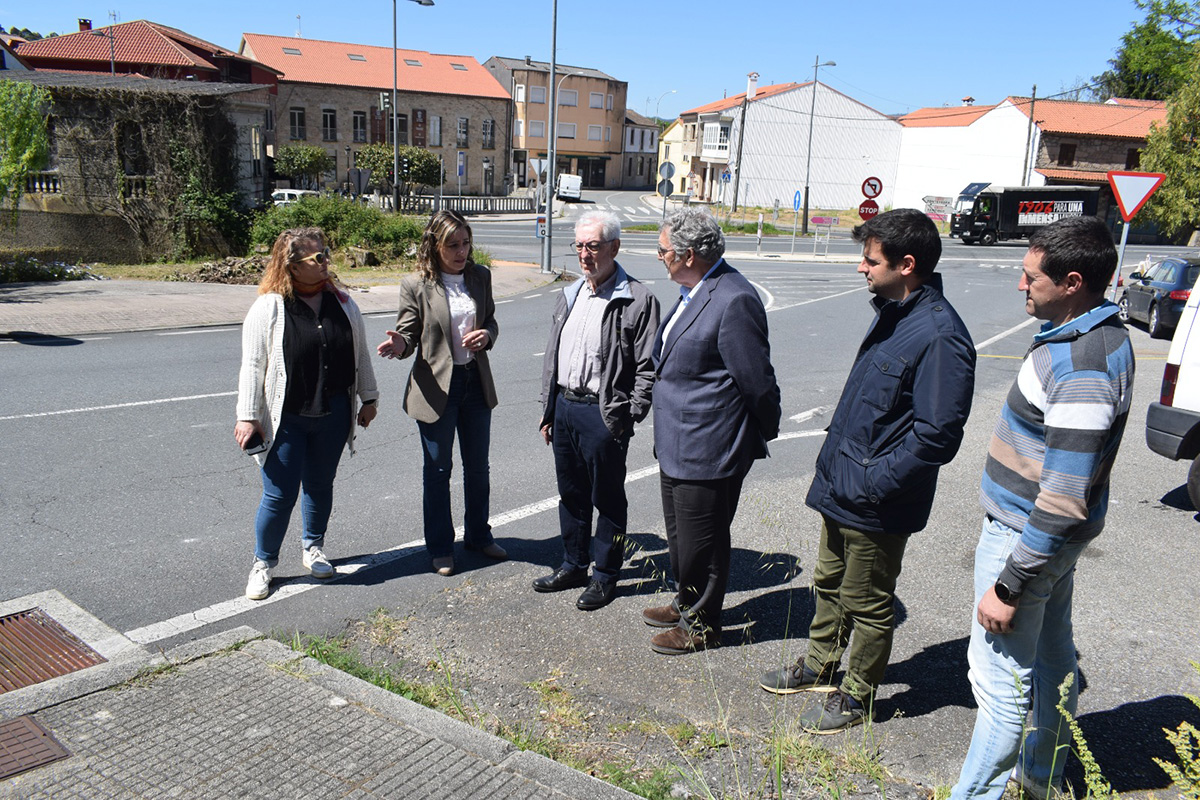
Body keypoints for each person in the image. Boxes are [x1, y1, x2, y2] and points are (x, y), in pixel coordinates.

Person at [760, 208, 976, 734]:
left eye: (869, 259)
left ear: (906, 264)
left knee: (869, 601)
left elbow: (937, 436)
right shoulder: (896, 312)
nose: (861, 267)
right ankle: (820, 665)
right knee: (829, 581)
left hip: (878, 497)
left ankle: (857, 693)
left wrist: (876, 483)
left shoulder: (940, 335)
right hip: (845, 484)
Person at [951, 216, 1134, 799]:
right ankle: (1040, 777)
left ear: (1072, 281)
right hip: (1043, 542)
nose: (1021, 286)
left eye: (1032, 278)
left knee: (1000, 687)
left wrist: (1009, 585)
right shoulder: (1087, 332)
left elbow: (1060, 500)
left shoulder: (1081, 366)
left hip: (1024, 538)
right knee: (1055, 662)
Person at [644, 208, 781, 655]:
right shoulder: (693, 288)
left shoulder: (733, 298)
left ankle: (701, 625)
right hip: (678, 440)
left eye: (663, 250)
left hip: (710, 444)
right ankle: (687, 601)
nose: (659, 256)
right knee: (681, 536)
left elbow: (756, 380)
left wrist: (762, 430)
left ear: (687, 255)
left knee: (703, 540)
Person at [236, 227, 379, 601]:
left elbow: (360, 353)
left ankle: (313, 547)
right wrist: (248, 415)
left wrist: (369, 397)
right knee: (279, 494)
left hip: (332, 413)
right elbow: (252, 365)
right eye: (317, 257)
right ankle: (263, 564)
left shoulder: (344, 304)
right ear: (292, 267)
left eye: (326, 253)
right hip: (286, 417)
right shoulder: (269, 307)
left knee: (319, 485)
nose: (326, 261)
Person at [535, 210, 660, 611]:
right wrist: (549, 410)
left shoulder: (638, 299)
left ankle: (606, 576)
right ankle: (574, 564)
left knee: (607, 499)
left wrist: (627, 416)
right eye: (580, 246)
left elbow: (649, 367)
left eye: (594, 246)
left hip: (604, 415)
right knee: (570, 495)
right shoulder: (571, 293)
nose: (585, 255)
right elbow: (554, 357)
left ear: (614, 248)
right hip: (566, 408)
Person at [377, 209, 505, 576]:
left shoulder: (480, 276)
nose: (461, 252)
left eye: (466, 243)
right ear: (435, 246)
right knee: (437, 469)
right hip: (436, 389)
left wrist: (488, 335)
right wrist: (400, 344)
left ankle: (479, 535)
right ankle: (440, 548)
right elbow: (408, 334)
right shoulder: (416, 284)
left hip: (475, 384)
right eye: (452, 245)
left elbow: (491, 319)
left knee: (478, 468)